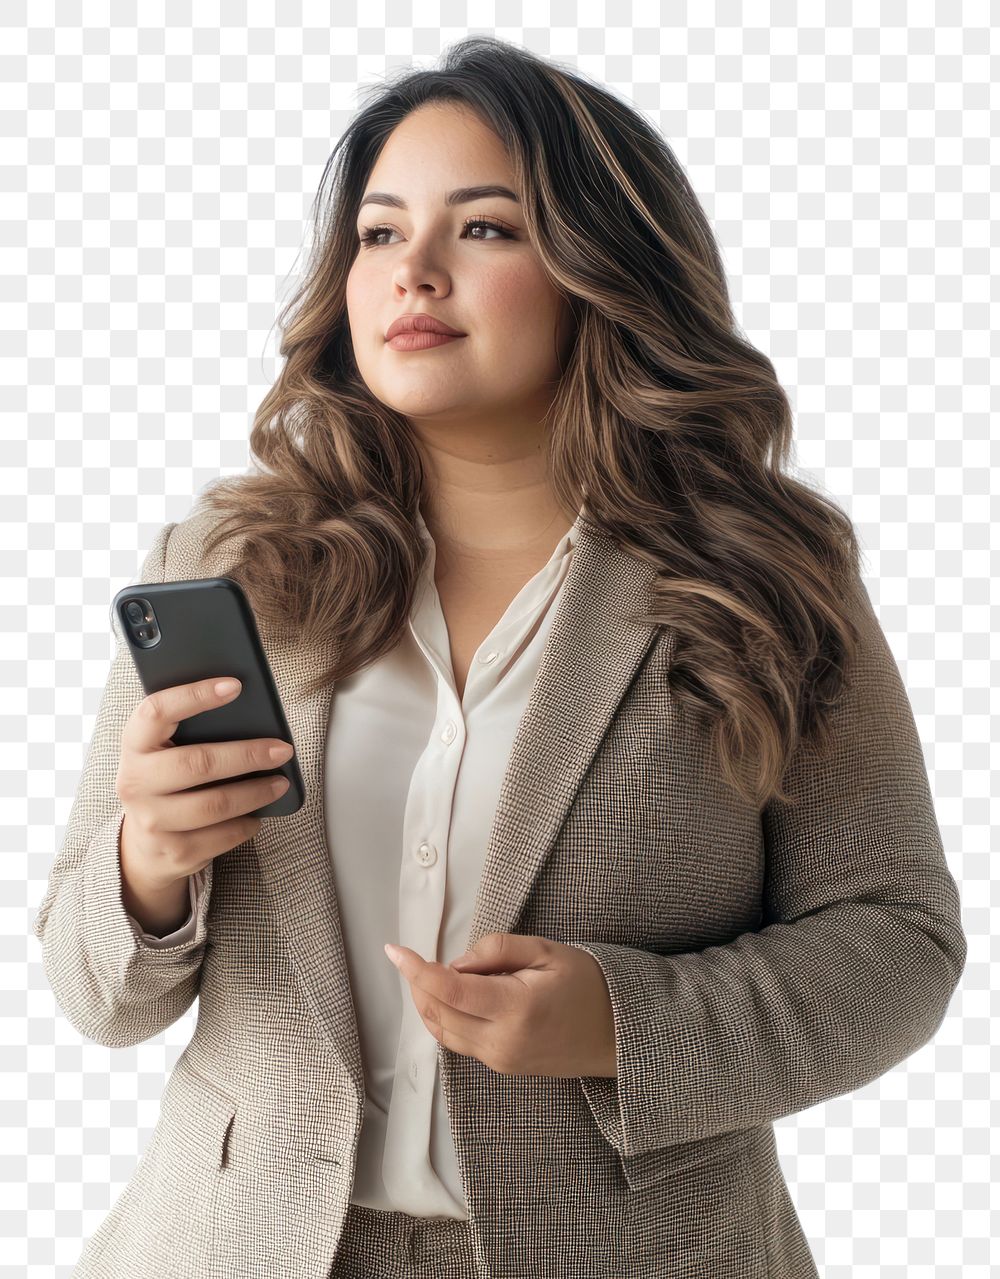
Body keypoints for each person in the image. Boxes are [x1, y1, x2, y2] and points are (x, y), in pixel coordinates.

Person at [31, 35, 966, 1279]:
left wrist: (625, 1023)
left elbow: (897, 939)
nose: (411, 271)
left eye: (482, 230)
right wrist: (147, 864)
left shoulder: (763, 576)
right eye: (376, 233)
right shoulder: (233, 563)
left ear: (602, 271)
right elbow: (97, 994)